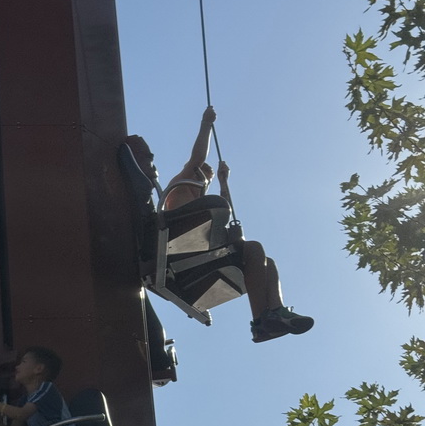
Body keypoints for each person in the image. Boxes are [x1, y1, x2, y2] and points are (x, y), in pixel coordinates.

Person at [126, 106, 314, 344]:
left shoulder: (199, 205)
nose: (204, 177)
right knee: (248, 244)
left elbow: (221, 209)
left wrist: (224, 184)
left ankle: (271, 315)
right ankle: (264, 320)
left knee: (261, 256)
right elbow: (198, 159)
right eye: (202, 174)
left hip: (198, 251)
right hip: (177, 244)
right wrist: (206, 124)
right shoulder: (181, 188)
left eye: (207, 178)